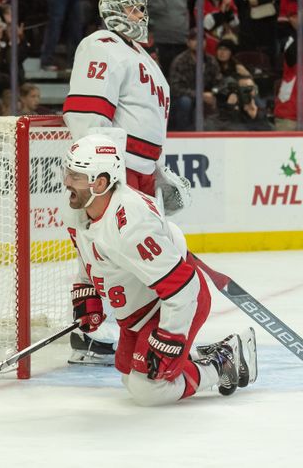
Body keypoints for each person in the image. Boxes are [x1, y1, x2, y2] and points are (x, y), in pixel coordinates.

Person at [62, 134, 257, 405]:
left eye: (77, 177)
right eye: (68, 173)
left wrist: (170, 337)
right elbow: (87, 254)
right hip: (137, 312)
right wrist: (86, 290)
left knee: (148, 389)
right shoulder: (79, 210)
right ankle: (195, 357)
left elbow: (182, 286)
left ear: (101, 182)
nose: (67, 183)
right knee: (128, 375)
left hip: (173, 304)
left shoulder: (131, 226)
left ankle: (224, 361)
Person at [62, 0, 191, 364]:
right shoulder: (101, 45)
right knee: (105, 250)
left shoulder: (143, 58)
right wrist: (102, 172)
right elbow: (86, 116)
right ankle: (91, 330)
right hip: (115, 172)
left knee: (137, 258)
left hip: (141, 172)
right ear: (114, 11)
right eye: (133, 11)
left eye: (141, 10)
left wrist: (160, 173)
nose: (141, 17)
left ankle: (139, 328)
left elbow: (145, 125)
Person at [141, 0, 189, 79]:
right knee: (159, 76)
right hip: (158, 43)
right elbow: (138, 16)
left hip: (180, 42)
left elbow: (185, 13)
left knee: (179, 77)